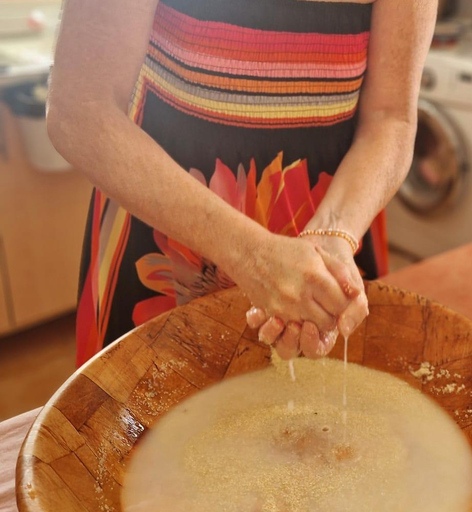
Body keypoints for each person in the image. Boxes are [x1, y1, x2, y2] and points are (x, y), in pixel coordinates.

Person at [47, 0, 436, 366]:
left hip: (334, 232)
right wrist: (255, 257)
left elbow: (391, 118)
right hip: (168, 235)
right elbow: (80, 112)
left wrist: (334, 237)